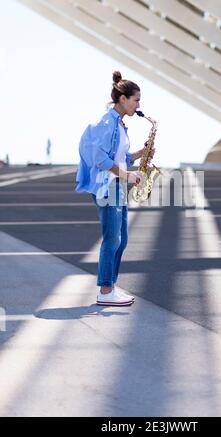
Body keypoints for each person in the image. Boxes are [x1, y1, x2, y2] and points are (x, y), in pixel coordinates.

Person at [75, 71, 153, 306]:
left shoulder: (119, 125)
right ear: (123, 99)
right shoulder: (107, 123)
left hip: (118, 187)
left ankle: (111, 285)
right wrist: (128, 174)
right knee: (112, 238)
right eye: (136, 99)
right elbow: (100, 159)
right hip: (107, 187)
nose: (138, 105)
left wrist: (141, 153)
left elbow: (120, 157)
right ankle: (106, 290)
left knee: (122, 239)